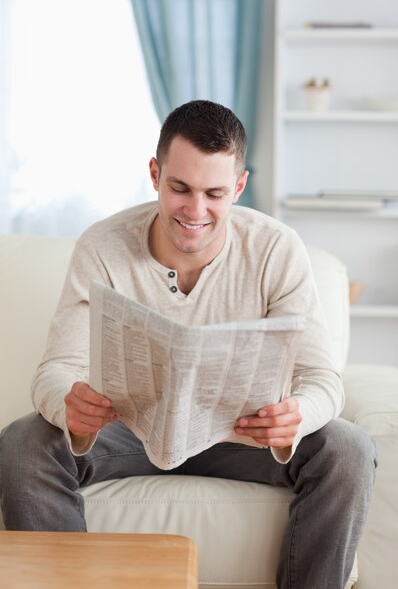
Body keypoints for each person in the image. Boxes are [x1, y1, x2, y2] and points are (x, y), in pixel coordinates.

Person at [0, 100, 376, 588]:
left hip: (243, 434)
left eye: (215, 193)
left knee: (347, 447)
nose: (195, 211)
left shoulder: (277, 249)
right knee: (23, 442)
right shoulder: (101, 247)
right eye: (180, 188)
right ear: (155, 174)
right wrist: (67, 403)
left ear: (239, 186)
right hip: (129, 428)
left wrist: (298, 414)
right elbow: (57, 368)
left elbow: (322, 378)